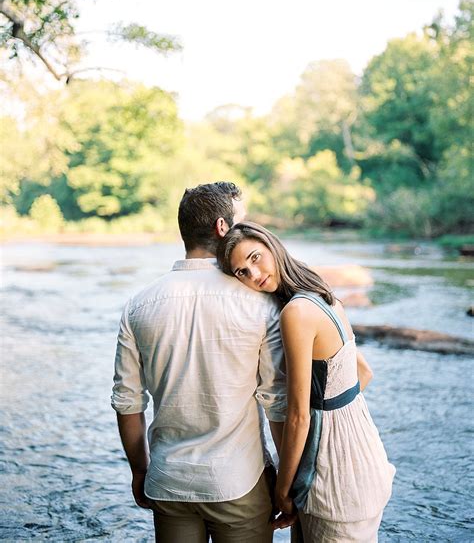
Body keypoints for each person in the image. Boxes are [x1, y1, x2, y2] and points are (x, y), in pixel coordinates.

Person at [111, 183, 287, 543]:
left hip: (168, 481)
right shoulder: (259, 303)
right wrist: (285, 483)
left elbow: (127, 403)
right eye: (242, 222)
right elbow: (277, 404)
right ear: (223, 228)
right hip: (238, 481)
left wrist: (140, 471)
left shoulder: (138, 305)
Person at [217, 222, 396, 542]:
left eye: (256, 258)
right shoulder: (319, 292)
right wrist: (334, 415)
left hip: (333, 476)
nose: (254, 275)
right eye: (242, 272)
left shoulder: (296, 313)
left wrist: (283, 492)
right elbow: (363, 372)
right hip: (365, 455)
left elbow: (298, 416)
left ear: (272, 246)